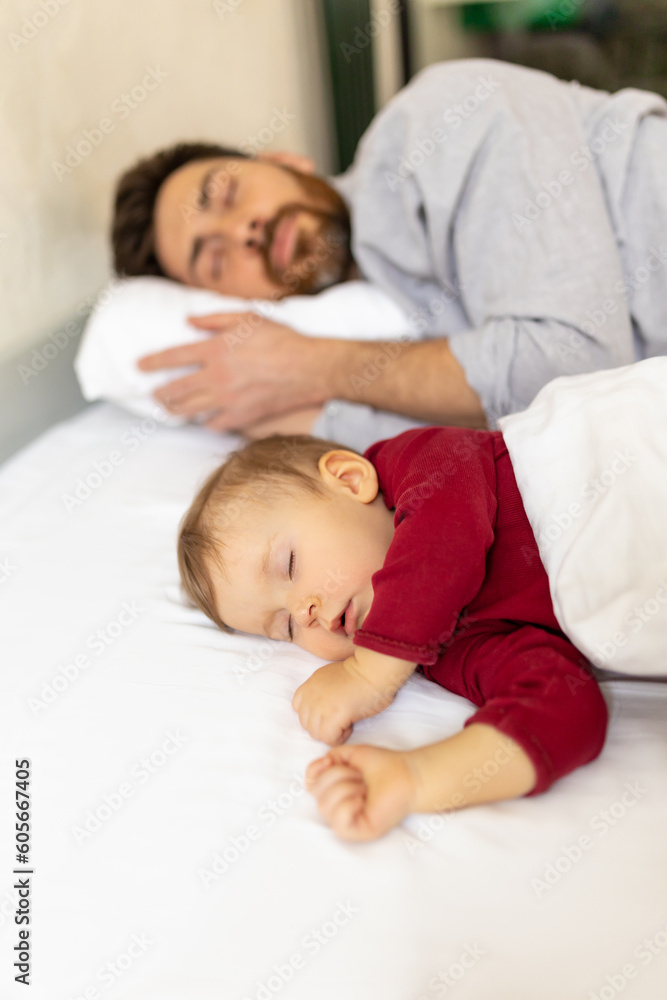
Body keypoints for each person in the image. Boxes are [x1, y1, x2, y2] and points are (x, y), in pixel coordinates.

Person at [111, 59, 667, 450]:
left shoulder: (437, 121)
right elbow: (503, 447)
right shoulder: (385, 324)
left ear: (285, 160)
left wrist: (306, 365)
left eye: (228, 193)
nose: (243, 232)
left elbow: (573, 369)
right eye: (215, 260)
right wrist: (305, 413)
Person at [176, 426, 607, 842]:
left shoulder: (427, 461)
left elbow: (443, 544)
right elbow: (565, 708)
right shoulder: (439, 650)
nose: (303, 613)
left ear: (350, 479)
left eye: (289, 565)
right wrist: (414, 779)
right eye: (286, 627)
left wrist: (369, 674)